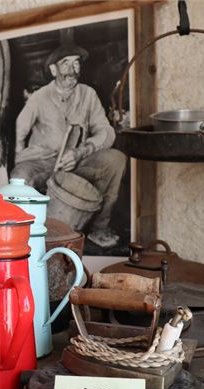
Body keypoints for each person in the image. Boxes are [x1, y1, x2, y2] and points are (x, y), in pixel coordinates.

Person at [10, 42, 127, 248]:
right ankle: (23, 239)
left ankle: (98, 228)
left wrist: (83, 150)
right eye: (65, 64)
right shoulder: (39, 97)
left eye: (76, 63)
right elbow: (20, 130)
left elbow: (105, 131)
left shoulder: (88, 94)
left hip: (76, 163)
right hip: (43, 161)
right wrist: (21, 157)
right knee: (19, 178)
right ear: (53, 70)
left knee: (116, 159)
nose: (72, 70)